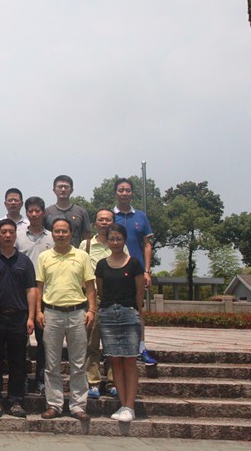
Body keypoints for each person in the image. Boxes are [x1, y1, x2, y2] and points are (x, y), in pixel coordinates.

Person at [36, 218, 96, 422]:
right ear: (52, 233)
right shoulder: (44, 256)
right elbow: (39, 287)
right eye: (57, 231)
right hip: (52, 313)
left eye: (64, 231)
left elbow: (90, 285)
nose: (60, 235)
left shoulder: (82, 256)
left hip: (77, 313)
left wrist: (92, 310)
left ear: (71, 233)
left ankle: (78, 405)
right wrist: (38, 311)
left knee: (78, 363)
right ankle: (54, 404)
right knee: (51, 363)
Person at [0, 219, 36, 418]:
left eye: (11, 232)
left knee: (18, 362)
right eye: (3, 232)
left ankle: (15, 401)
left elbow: (31, 290)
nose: (8, 235)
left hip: (18, 318)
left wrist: (31, 316)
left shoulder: (24, 261)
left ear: (15, 234)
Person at [95, 223, 145, 422]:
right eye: (111, 239)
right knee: (114, 360)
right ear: (107, 241)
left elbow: (139, 293)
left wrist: (140, 316)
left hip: (129, 314)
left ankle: (130, 406)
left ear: (124, 241)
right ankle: (122, 404)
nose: (115, 242)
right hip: (108, 315)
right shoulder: (101, 265)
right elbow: (101, 291)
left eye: (119, 239)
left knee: (130, 360)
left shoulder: (134, 264)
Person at [113, 177, 157, 366]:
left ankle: (141, 348)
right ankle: (112, 349)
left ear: (132, 193)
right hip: (114, 269)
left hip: (136, 271)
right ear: (115, 193)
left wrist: (147, 271)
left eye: (127, 190)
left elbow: (147, 245)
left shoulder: (140, 216)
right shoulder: (110, 216)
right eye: (121, 190)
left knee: (138, 310)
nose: (124, 193)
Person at [81, 209, 125, 399]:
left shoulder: (119, 244)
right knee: (91, 343)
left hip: (115, 299)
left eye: (108, 219)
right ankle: (93, 382)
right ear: (95, 223)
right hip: (93, 299)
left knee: (113, 343)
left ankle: (113, 381)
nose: (104, 222)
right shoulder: (86, 245)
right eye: (101, 219)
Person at [15, 196, 54, 395]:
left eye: (38, 210)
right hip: (21, 295)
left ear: (43, 213)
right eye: (30, 211)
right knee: (20, 341)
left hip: (46, 295)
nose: (34, 214)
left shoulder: (52, 237)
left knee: (44, 341)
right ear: (26, 213)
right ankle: (20, 380)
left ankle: (41, 380)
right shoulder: (18, 236)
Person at [43, 175, 91, 247]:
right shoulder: (47, 212)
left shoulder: (81, 212)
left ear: (71, 190)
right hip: (52, 252)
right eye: (60, 187)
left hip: (76, 252)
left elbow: (86, 237)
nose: (63, 189)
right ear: (54, 190)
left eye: (66, 187)